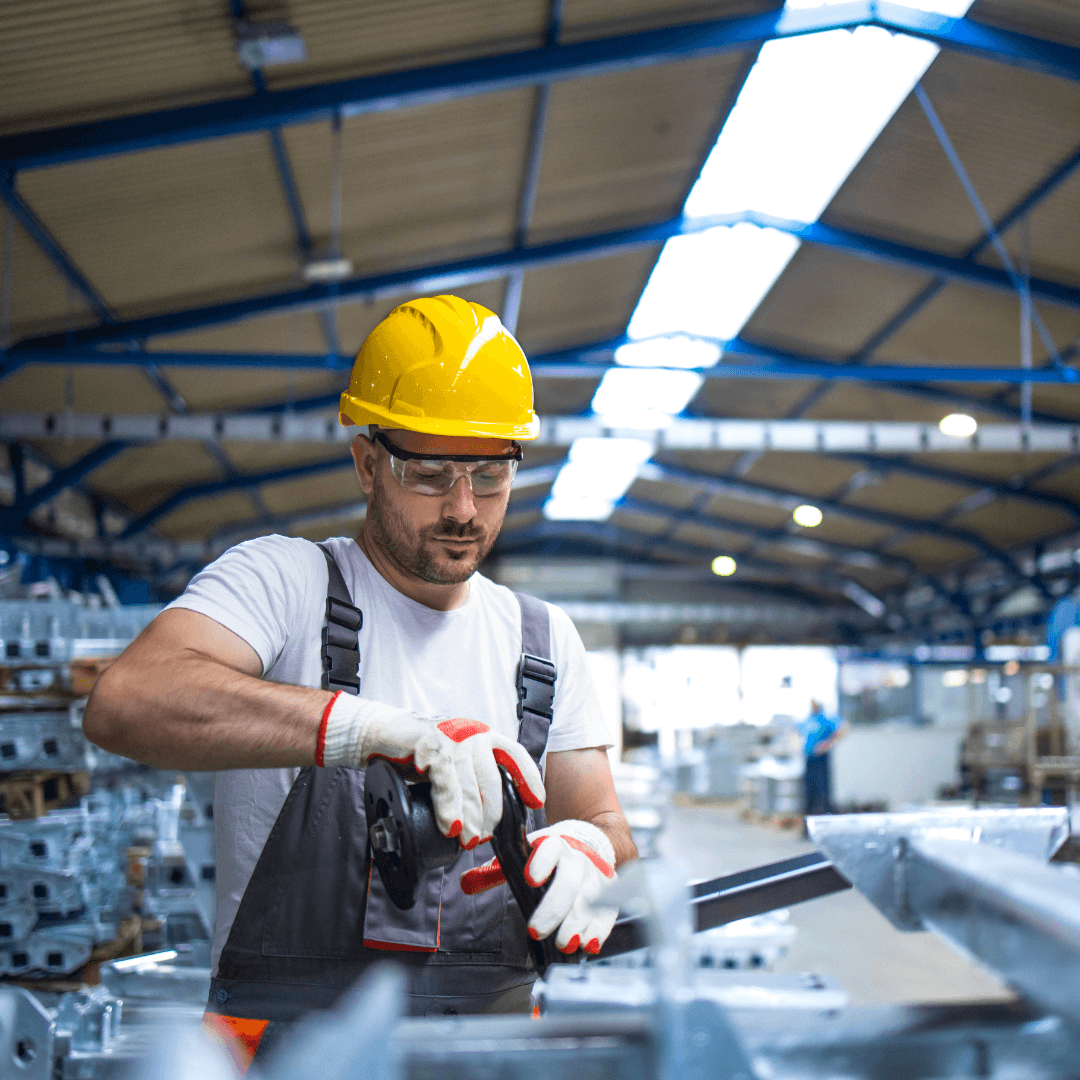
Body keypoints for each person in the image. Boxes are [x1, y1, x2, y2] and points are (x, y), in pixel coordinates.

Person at [83, 295, 636, 1068]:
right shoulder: (286, 584)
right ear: (367, 462)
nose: (463, 508)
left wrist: (588, 846)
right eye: (431, 473)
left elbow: (605, 820)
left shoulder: (542, 642)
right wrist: (369, 731)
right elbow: (125, 702)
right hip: (287, 1046)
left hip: (490, 1048)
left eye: (489, 474)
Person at [798, 699, 848, 817]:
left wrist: (828, 744)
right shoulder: (808, 719)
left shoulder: (826, 718)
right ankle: (808, 821)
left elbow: (844, 728)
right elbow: (796, 731)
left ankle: (825, 818)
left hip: (821, 759)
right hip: (809, 759)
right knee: (809, 792)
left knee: (822, 791)